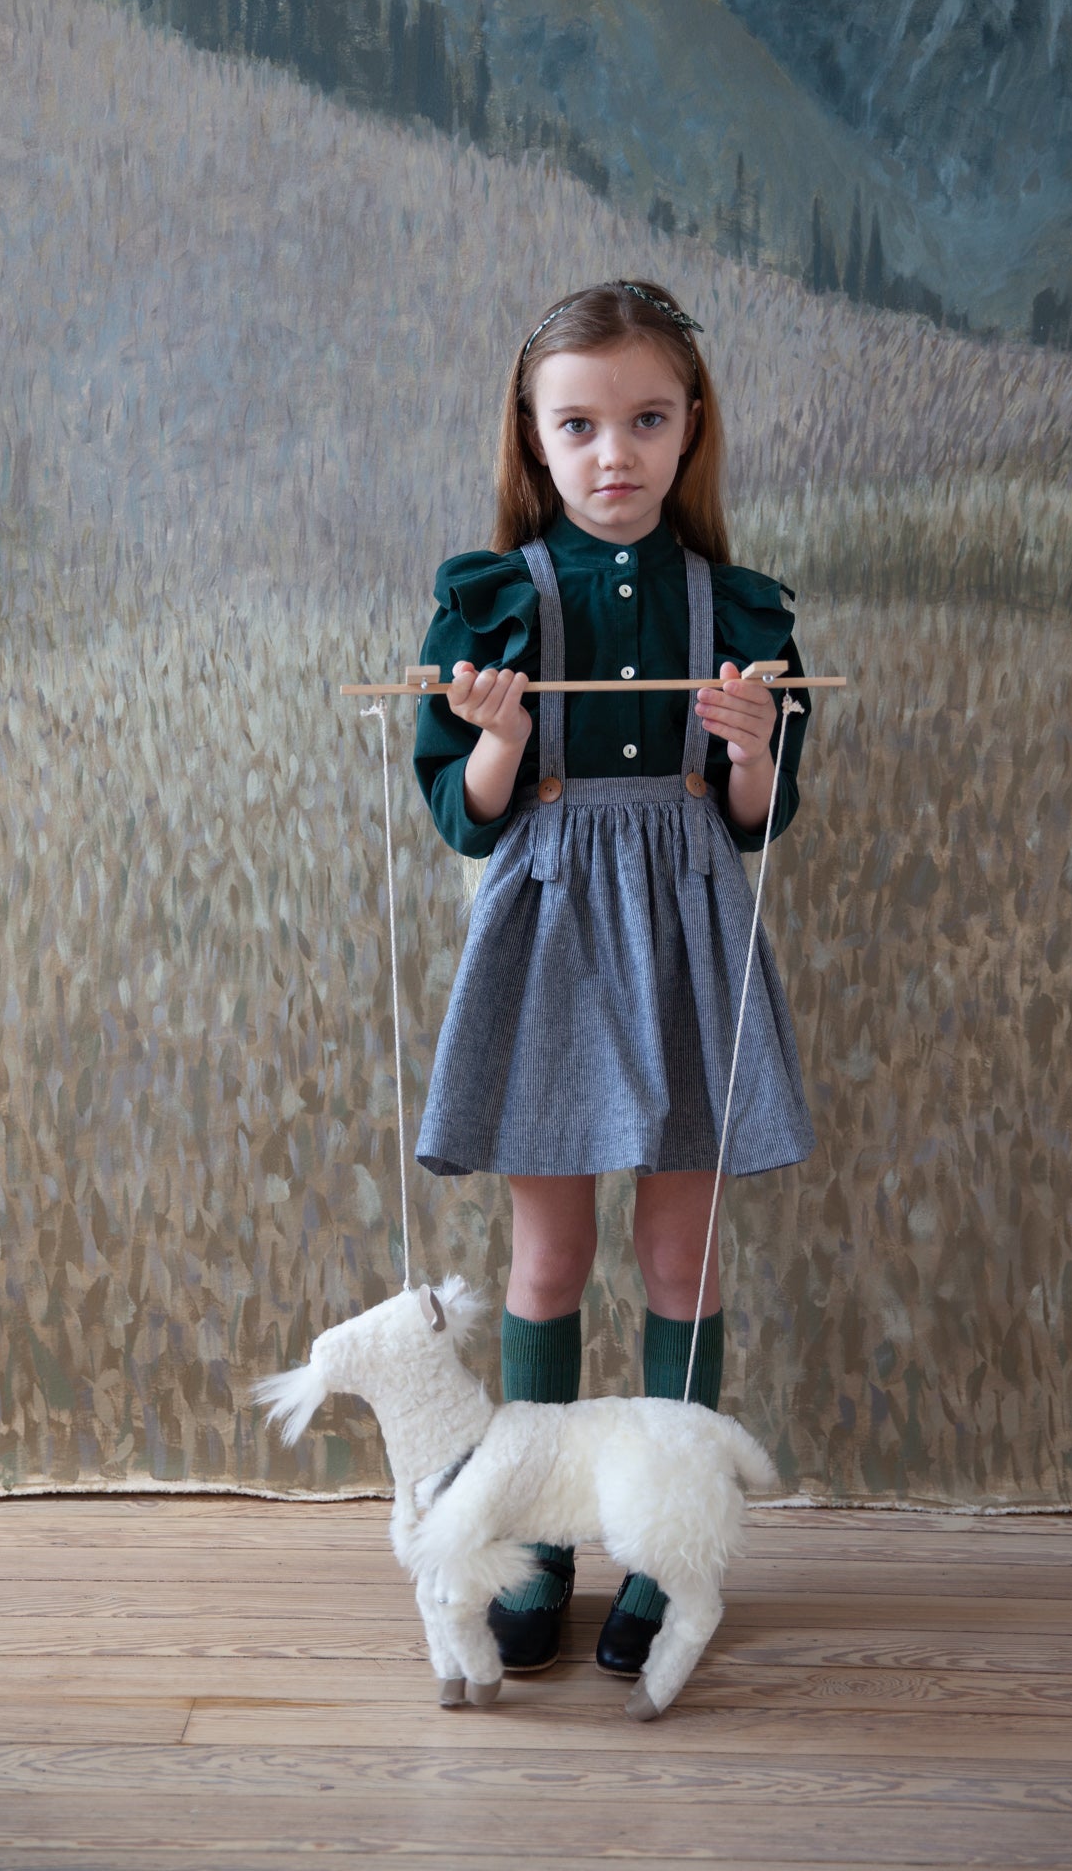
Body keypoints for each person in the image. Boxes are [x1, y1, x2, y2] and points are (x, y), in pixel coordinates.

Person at [412, 279, 814, 1678]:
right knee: (549, 1256)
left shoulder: (739, 607)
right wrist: (497, 737)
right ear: (532, 438)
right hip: (550, 936)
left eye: (646, 419)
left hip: (689, 932)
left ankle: (667, 1546)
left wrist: (751, 744)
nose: (613, 452)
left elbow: (759, 819)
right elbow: (464, 816)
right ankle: (533, 1545)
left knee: (677, 1255)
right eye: (577, 424)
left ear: (690, 425)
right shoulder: (491, 604)